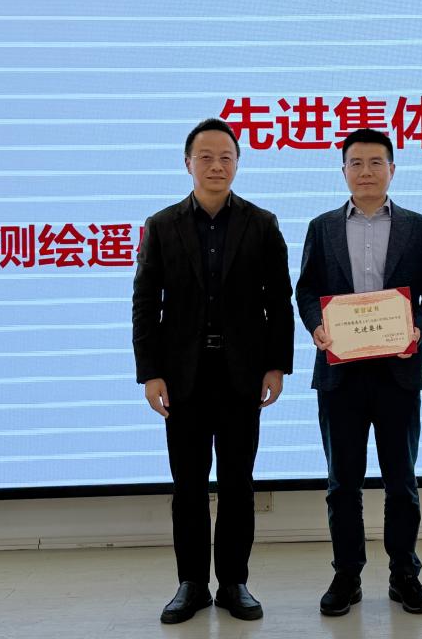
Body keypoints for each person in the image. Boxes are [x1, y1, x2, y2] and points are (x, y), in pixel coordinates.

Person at [132, 118, 293, 624]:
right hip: (183, 375)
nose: (216, 165)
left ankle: (234, 582)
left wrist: (276, 365)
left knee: (238, 482)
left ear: (238, 163)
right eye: (205, 157)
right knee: (188, 484)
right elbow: (145, 302)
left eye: (226, 157)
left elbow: (279, 301)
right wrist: (150, 372)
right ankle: (192, 584)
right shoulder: (162, 225)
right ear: (188, 163)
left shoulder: (262, 224)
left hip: (242, 373)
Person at [295, 128, 422, 617]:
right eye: (356, 163)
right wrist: (317, 326)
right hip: (339, 374)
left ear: (392, 170)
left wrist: (418, 328)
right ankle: (347, 575)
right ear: (343, 171)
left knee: (401, 481)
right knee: (343, 484)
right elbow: (305, 290)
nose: (366, 172)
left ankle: (405, 574)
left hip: (398, 371)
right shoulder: (321, 227)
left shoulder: (418, 227)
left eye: (375, 162)